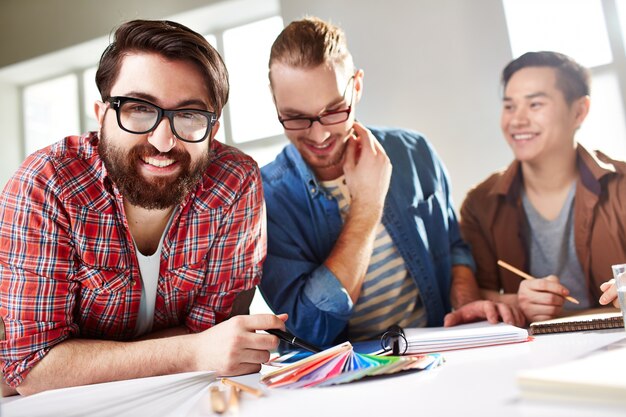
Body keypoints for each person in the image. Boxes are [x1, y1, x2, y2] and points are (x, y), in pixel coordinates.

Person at [0, 19, 286, 396]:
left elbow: (218, 335)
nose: (163, 141)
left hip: (184, 397)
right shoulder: (47, 184)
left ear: (212, 131)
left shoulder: (235, 183)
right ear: (102, 116)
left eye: (188, 115)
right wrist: (192, 350)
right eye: (138, 108)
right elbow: (32, 367)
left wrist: (77, 360)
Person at [258, 17, 523, 348]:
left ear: (356, 86)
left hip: (435, 353)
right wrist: (368, 204)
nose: (320, 134)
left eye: (334, 110)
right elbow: (311, 326)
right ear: (275, 102)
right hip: (343, 379)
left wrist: (466, 302)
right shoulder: (266, 199)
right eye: (296, 117)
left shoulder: (415, 152)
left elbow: (453, 247)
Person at [460, 51, 626, 324]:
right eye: (509, 106)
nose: (517, 120)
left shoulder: (621, 184)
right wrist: (517, 302)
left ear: (579, 111)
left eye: (535, 104)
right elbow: (474, 294)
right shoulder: (481, 203)